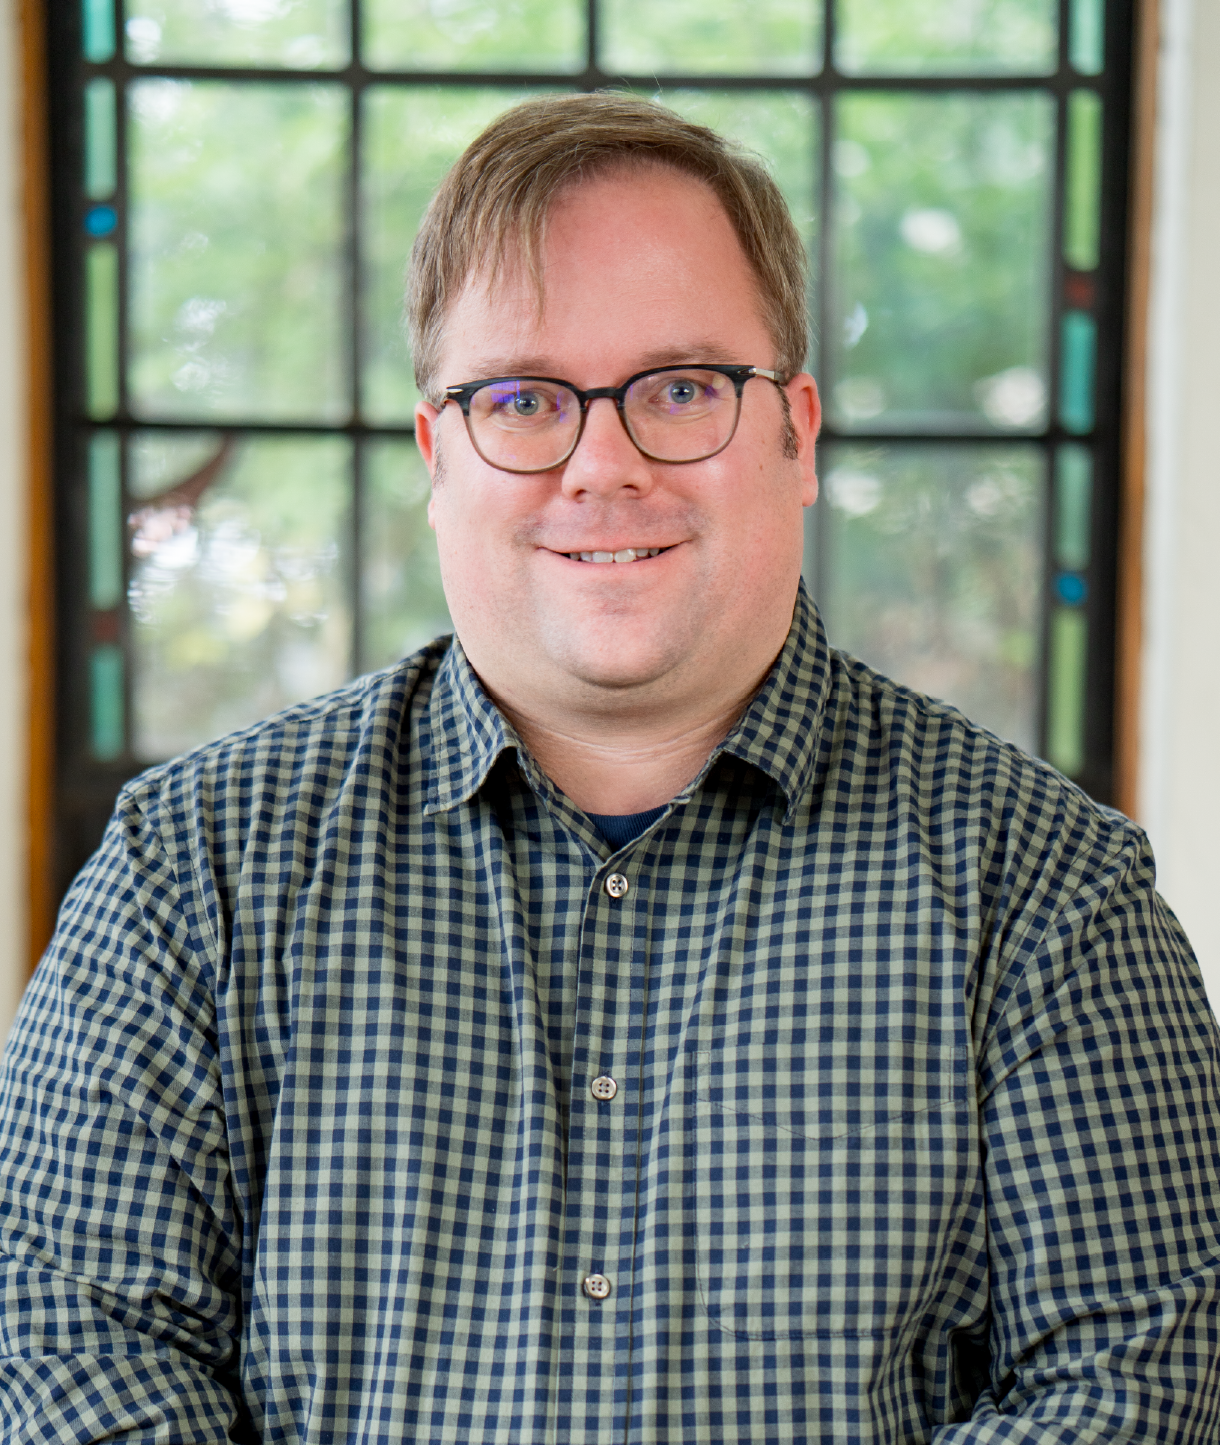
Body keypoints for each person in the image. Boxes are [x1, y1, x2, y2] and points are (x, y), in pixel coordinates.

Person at [1, 92, 1218, 1444]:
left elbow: (1135, 1380)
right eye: (521, 398)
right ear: (436, 451)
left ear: (797, 433)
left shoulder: (1049, 892)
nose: (603, 463)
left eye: (682, 389)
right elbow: (74, 1339)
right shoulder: (194, 869)